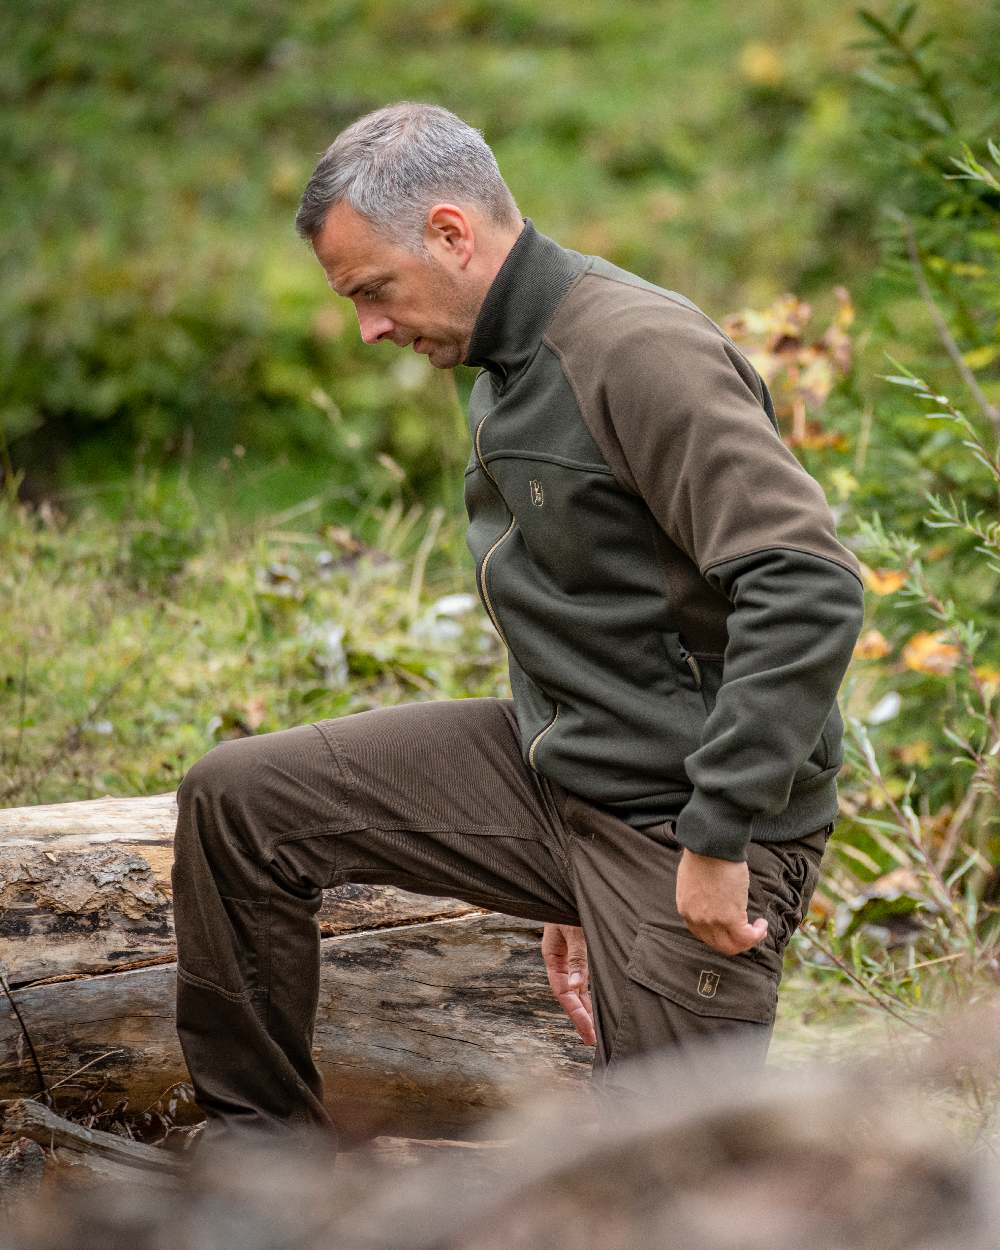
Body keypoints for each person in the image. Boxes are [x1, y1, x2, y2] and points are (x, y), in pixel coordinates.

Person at [170, 102, 866, 1148]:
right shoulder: (502, 353)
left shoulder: (636, 350)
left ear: (451, 233)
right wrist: (560, 867)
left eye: (373, 290)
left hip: (686, 817)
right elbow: (603, 610)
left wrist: (718, 833)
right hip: (564, 778)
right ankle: (259, 1166)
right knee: (239, 801)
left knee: (647, 1182)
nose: (368, 325)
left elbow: (807, 582)